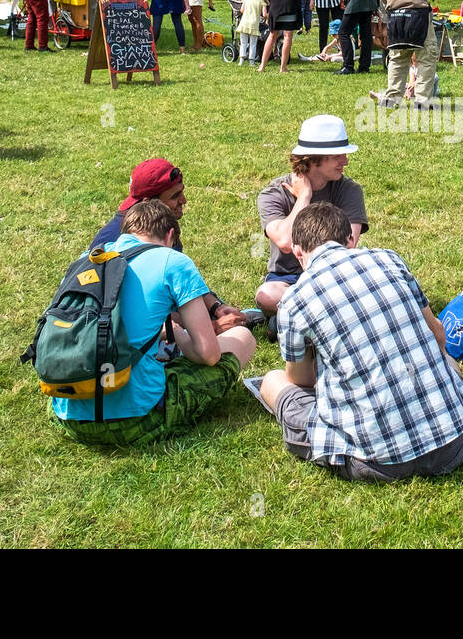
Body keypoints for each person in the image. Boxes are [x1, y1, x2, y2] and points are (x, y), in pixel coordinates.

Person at [259, 202, 463, 482]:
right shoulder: (390, 260)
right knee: (444, 362)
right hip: (455, 443)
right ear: (349, 238)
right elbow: (437, 335)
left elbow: (299, 380)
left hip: (377, 461)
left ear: (298, 251)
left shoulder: (294, 301)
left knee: (274, 381)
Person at [52, 200, 257, 446]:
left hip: (68, 412)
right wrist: (179, 333)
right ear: (170, 235)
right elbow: (208, 354)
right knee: (243, 339)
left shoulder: (87, 259)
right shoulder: (172, 261)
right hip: (137, 420)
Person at [92, 158, 251, 332]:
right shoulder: (117, 239)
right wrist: (212, 327)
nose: (184, 200)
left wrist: (216, 306)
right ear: (151, 204)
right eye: (175, 196)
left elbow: (182, 283)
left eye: (181, 192)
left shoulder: (158, 225)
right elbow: (140, 313)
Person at [255, 115, 367, 315]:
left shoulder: (349, 190)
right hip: (288, 280)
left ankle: (294, 315)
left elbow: (348, 244)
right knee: (266, 295)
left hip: (335, 275)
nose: (346, 161)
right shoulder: (273, 194)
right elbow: (285, 242)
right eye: (337, 156)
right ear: (313, 159)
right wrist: (304, 197)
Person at [373, 0, 440, 107]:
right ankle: (422, 101)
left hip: (395, 14)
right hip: (418, 14)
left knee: (397, 56)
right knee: (426, 56)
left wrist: (391, 5)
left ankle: (391, 98)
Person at [236, 0, 267, 66]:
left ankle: (241, 61)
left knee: (243, 42)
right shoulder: (262, 1)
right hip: (254, 24)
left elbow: (242, 10)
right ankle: (251, 61)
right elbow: (264, 15)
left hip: (244, 23)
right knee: (253, 43)